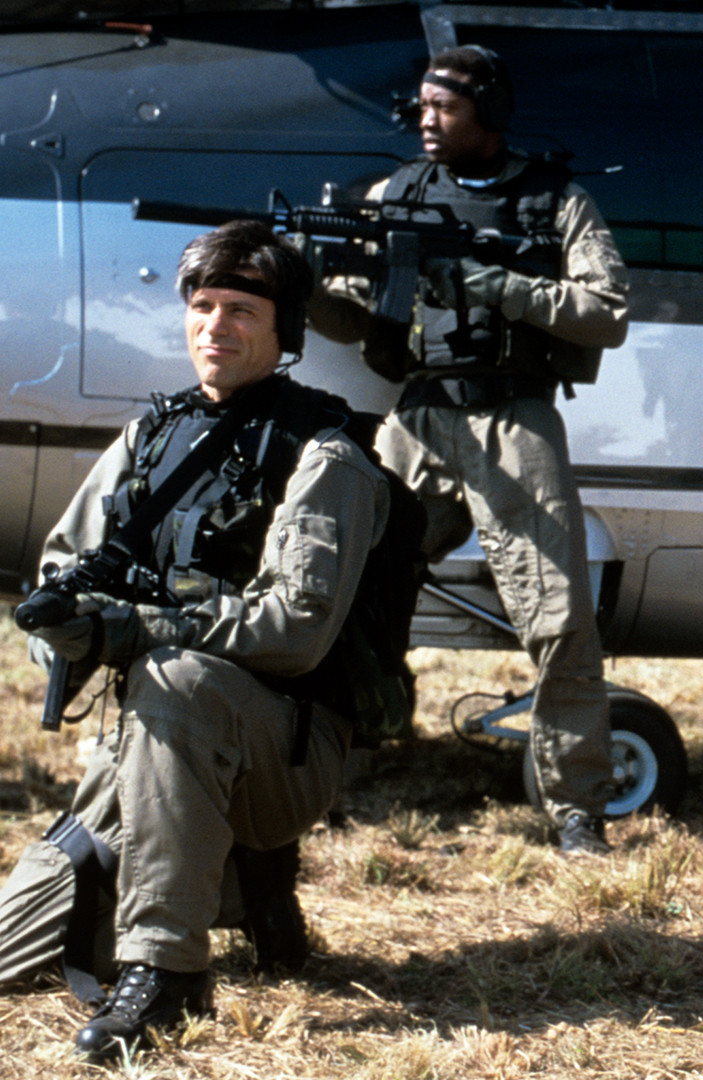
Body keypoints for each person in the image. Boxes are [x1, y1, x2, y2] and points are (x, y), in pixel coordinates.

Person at [1, 221, 392, 1061]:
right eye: (203, 305)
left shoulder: (326, 455)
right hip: (151, 747)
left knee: (175, 676)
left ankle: (168, 973)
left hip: (287, 749)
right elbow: (63, 567)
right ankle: (251, 888)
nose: (216, 325)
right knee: (9, 951)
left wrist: (136, 627)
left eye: (242, 310)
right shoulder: (150, 437)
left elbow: (295, 630)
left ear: (286, 329)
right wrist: (64, 632)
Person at [307, 44, 632, 854]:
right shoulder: (396, 194)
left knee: (558, 613)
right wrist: (305, 286)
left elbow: (606, 313)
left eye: (443, 108)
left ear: (488, 110)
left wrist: (499, 287)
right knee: (347, 588)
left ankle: (576, 805)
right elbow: (353, 316)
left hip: (515, 418)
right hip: (418, 416)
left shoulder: (555, 202)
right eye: (420, 107)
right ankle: (327, 772)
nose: (426, 121)